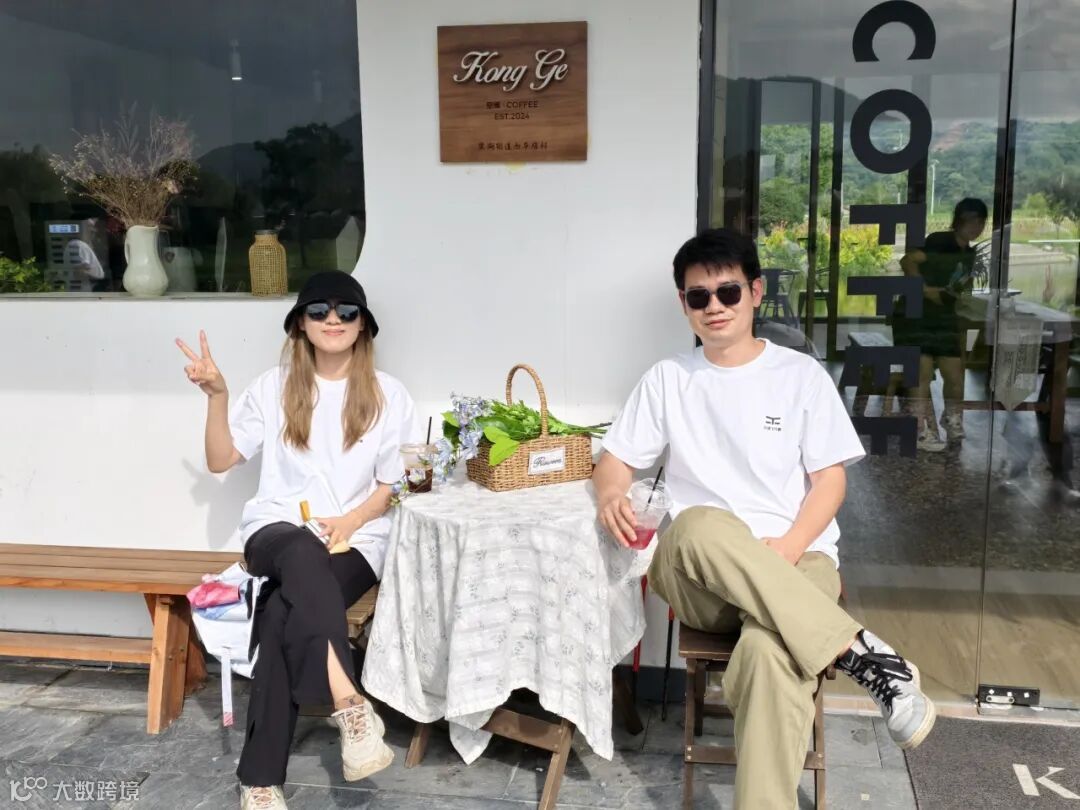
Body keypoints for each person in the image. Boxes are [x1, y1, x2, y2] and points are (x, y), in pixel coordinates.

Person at [593, 228, 936, 809]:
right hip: (702, 579)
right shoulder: (668, 379)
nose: (715, 307)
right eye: (699, 297)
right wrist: (609, 495)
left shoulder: (800, 376)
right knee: (698, 524)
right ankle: (857, 651)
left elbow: (831, 481)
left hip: (800, 559)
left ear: (755, 293)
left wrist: (789, 546)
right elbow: (615, 460)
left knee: (768, 653)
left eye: (728, 292)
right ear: (683, 304)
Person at [176, 271, 416, 810]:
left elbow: (391, 485)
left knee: (283, 614)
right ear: (300, 324)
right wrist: (218, 395)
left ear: (363, 325)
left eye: (347, 311)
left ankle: (260, 781)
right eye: (319, 310)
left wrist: (351, 521)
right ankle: (349, 702)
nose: (333, 319)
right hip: (276, 531)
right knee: (301, 552)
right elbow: (220, 460)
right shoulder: (274, 387)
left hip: (356, 540)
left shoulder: (389, 395)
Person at [896, 198, 989, 451]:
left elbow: (961, 286)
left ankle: (952, 417)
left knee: (955, 372)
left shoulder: (969, 253)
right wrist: (925, 289)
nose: (975, 227)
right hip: (915, 314)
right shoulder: (940, 241)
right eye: (971, 221)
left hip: (943, 317)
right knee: (922, 372)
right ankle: (919, 429)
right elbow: (908, 261)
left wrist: (961, 297)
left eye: (980, 222)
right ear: (958, 221)